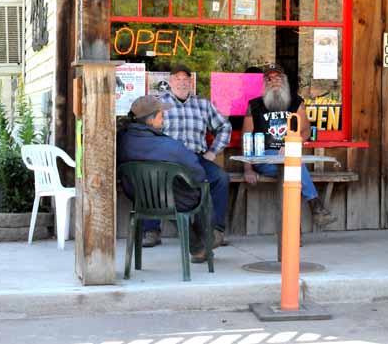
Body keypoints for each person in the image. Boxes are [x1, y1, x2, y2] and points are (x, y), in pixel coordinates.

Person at [117, 95, 217, 261]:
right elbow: (198, 173)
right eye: (161, 114)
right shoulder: (170, 146)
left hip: (139, 198)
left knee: (168, 198)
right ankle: (204, 243)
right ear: (151, 120)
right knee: (202, 191)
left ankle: (198, 247)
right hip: (172, 199)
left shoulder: (120, 140)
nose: (163, 118)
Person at [242, 63, 337, 227]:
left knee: (291, 170)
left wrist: (292, 145)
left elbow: (306, 131)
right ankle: (316, 207)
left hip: (289, 157)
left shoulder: (296, 102)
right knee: (294, 166)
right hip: (264, 157)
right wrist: (248, 169)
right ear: (264, 82)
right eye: (269, 78)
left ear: (284, 80)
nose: (274, 81)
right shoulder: (254, 105)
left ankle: (293, 234)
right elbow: (246, 137)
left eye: (278, 77)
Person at [159, 64, 232, 245]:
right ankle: (150, 230)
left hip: (196, 158)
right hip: (169, 160)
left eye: (185, 79)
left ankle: (216, 231)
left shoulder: (203, 104)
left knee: (221, 178)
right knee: (151, 181)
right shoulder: (159, 104)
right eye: (177, 79)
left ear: (191, 82)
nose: (182, 83)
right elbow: (148, 132)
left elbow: (225, 127)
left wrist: (213, 151)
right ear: (170, 81)